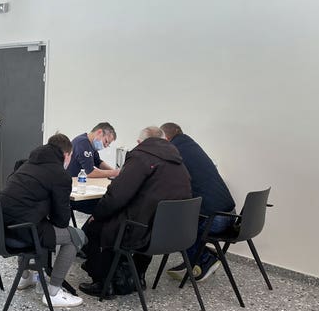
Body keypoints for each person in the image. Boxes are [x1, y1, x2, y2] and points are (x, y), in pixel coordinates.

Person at [78, 126, 192, 298]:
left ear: (140, 142)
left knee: (95, 226)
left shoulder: (140, 157)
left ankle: (103, 283)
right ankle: (137, 277)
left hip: (142, 231)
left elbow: (117, 195)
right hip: (171, 233)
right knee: (140, 221)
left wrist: (98, 214)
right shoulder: (179, 162)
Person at [0, 133, 85, 308]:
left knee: (33, 221)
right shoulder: (60, 175)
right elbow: (61, 222)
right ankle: (53, 292)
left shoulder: (25, 164)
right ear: (66, 155)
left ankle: (25, 276)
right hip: (25, 230)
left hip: (0, 225)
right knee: (77, 236)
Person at [161, 122, 236, 282]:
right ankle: (199, 257)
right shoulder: (192, 146)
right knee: (179, 216)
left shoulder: (174, 151)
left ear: (165, 138)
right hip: (230, 215)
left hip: (215, 220)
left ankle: (204, 258)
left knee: (170, 224)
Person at [67, 122, 121, 214]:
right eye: (106, 141)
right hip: (74, 192)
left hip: (82, 187)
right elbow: (91, 172)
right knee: (108, 205)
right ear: (99, 132)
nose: (106, 146)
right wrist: (115, 173)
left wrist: (114, 171)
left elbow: (98, 162)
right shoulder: (82, 143)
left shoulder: (90, 144)